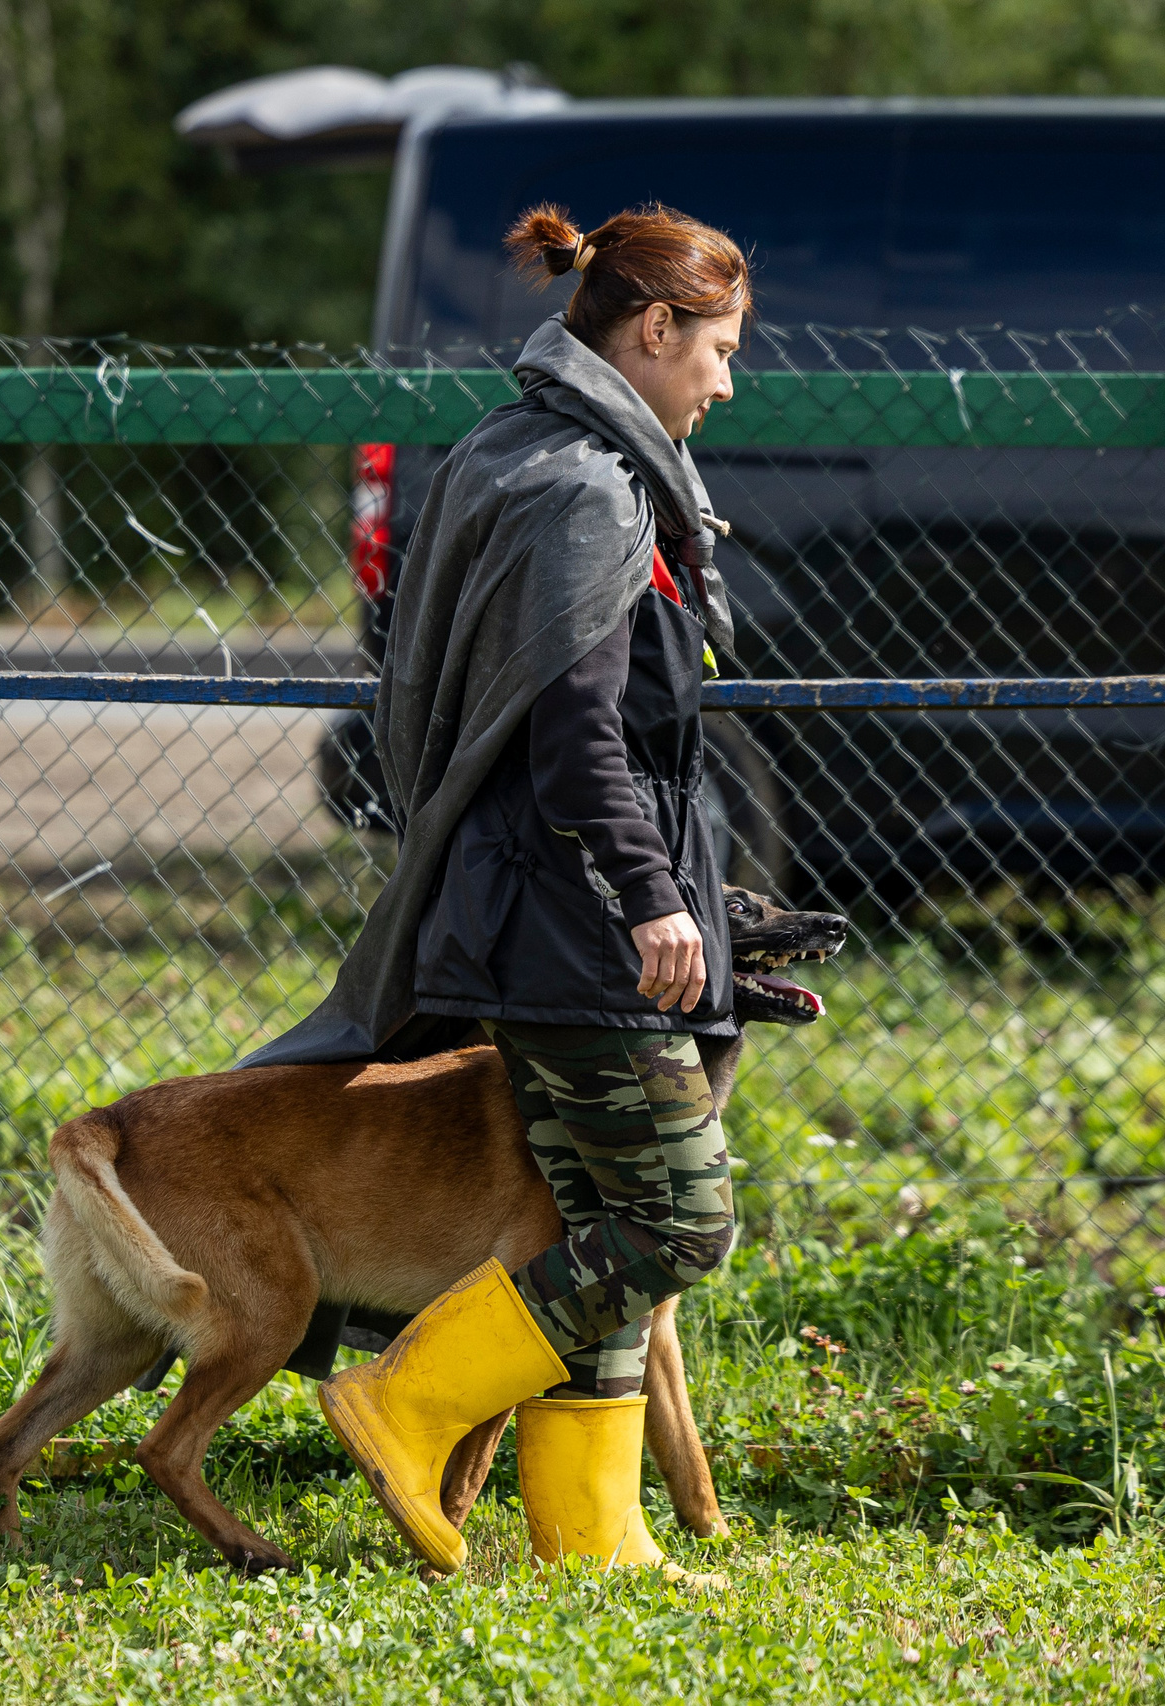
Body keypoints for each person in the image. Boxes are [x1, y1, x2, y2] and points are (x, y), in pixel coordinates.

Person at [244, 201, 752, 1575]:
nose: (725, 383)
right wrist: (652, 895)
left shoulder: (522, 450)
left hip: (527, 913)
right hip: (575, 926)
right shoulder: (585, 489)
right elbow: (577, 735)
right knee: (676, 1222)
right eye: (718, 350)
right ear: (656, 329)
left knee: (595, 1220)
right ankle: (408, 1399)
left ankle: (590, 1532)